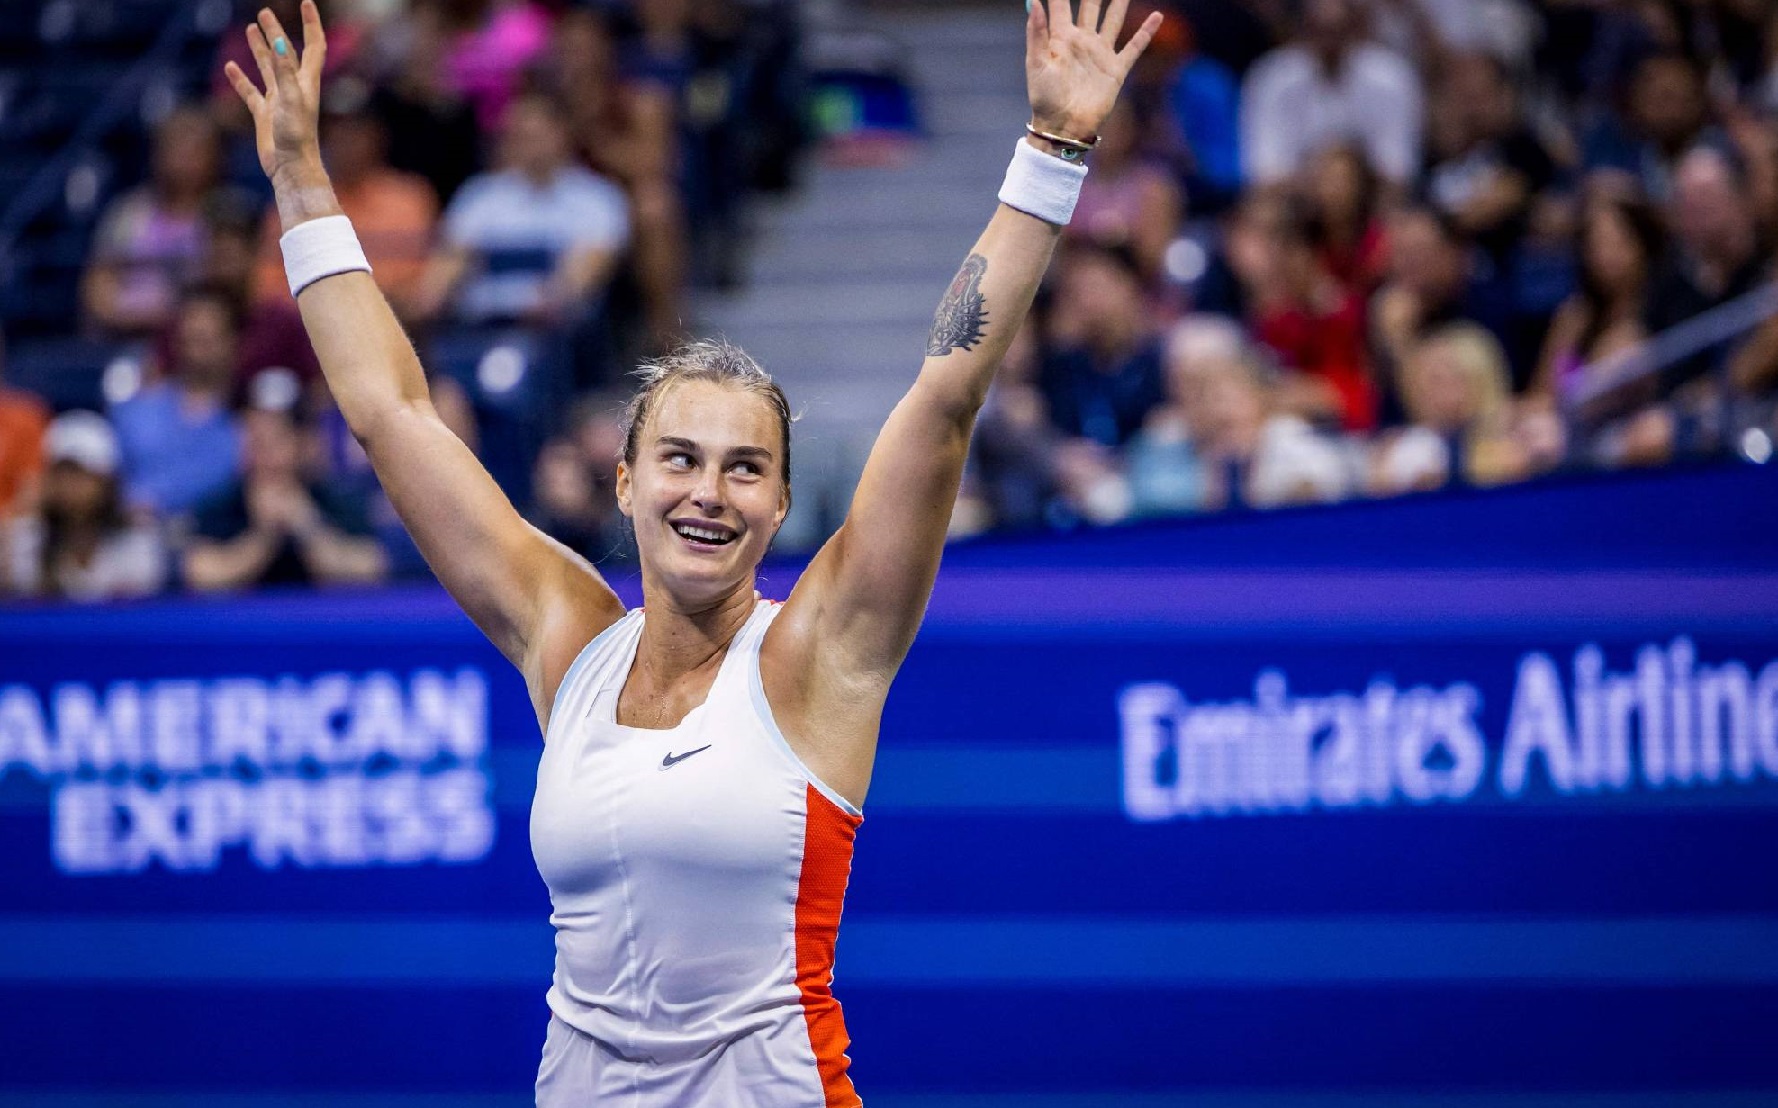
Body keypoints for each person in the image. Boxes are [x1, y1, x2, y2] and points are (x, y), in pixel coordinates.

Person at [223, 2, 1160, 1103]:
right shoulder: (565, 640)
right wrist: (298, 181)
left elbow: (946, 395)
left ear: (777, 508)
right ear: (624, 483)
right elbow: (392, 414)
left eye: (744, 468)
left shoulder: (820, 654)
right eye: (678, 458)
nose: (707, 492)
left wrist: (1051, 150)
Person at [183, 402, 388, 592]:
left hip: (323, 622)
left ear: (299, 446)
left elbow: (370, 567)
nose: (266, 459)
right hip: (241, 625)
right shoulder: (222, 502)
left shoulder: (333, 497)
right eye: (256, 444)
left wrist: (306, 527)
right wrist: (265, 536)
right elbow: (201, 574)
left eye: (276, 443)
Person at [109, 286, 245, 517]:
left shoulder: (245, 423)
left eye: (206, 340)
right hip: (132, 531)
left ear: (231, 343)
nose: (197, 352)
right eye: (191, 339)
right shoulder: (137, 410)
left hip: (212, 536)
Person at [5, 411, 168, 602]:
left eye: (80, 473)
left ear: (107, 481)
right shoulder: (28, 539)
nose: (68, 484)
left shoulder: (137, 538)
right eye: (60, 473)